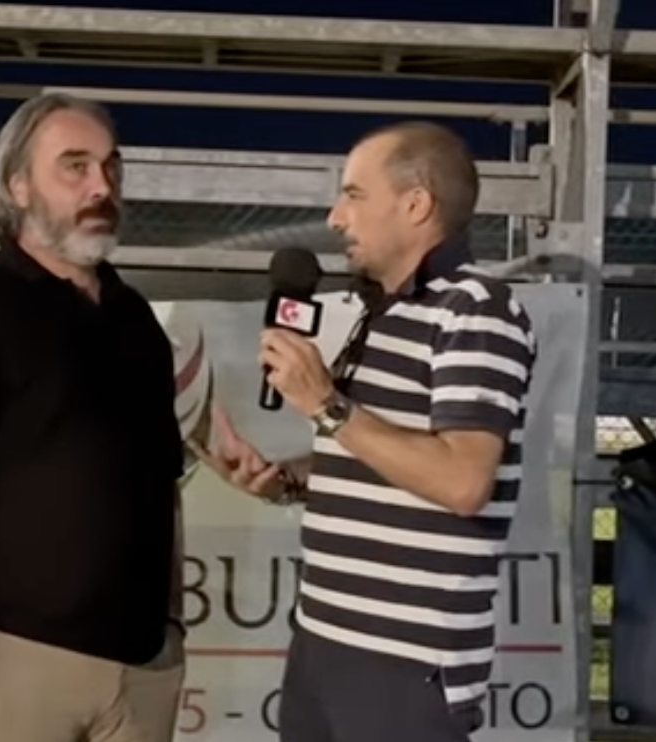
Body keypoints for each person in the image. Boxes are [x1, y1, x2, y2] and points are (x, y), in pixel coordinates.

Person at [191, 121, 537, 742]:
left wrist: (327, 405)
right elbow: (378, 455)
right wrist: (283, 479)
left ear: (416, 204)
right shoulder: (375, 312)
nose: (335, 217)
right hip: (321, 643)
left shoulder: (476, 309)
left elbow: (463, 480)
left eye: (353, 194)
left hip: (406, 664)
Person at [0, 92, 187, 742]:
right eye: (74, 166)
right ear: (17, 186)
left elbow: (162, 482)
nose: (101, 186)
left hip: (140, 671)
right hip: (10, 662)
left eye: (111, 166)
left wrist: (170, 628)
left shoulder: (136, 322)